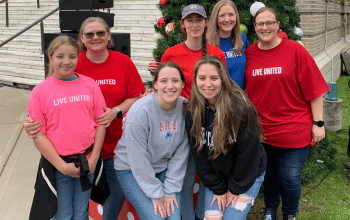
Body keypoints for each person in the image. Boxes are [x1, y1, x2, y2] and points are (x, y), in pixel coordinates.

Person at [24, 17, 145, 219]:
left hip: (111, 145)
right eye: (89, 34)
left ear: (109, 36)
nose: (95, 37)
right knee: (64, 210)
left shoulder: (118, 65)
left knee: (107, 196)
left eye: (100, 33)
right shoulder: (65, 68)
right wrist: (30, 122)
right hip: (66, 155)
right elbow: (46, 110)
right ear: (81, 38)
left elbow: (135, 96)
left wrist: (115, 111)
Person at [244, 7, 330, 220]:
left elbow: (315, 89)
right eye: (260, 24)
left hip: (294, 129)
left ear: (278, 25)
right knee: (270, 176)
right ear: (254, 27)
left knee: (290, 178)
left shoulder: (295, 51)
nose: (265, 27)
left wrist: (318, 123)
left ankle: (290, 213)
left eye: (269, 23)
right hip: (263, 131)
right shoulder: (250, 54)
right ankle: (270, 209)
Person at [28, 35, 106, 220]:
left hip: (87, 162)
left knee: (80, 213)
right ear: (50, 58)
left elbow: (100, 123)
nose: (66, 61)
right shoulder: (40, 91)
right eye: (60, 56)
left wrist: (94, 158)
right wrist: (62, 166)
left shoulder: (90, 85)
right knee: (62, 214)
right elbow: (39, 134)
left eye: (72, 56)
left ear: (78, 57)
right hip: (58, 166)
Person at [160, 5, 226, 220]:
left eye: (199, 19)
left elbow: (222, 86)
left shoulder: (216, 54)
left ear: (206, 23)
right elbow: (164, 87)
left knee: (211, 172)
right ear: (182, 24)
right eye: (190, 20)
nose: (195, 24)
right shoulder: (172, 53)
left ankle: (203, 215)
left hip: (210, 122)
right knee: (186, 177)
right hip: (183, 122)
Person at [184, 55, 266, 220]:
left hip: (247, 174)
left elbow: (248, 155)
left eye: (214, 78)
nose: (207, 84)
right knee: (212, 217)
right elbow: (199, 156)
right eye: (202, 78)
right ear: (195, 80)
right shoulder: (192, 111)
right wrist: (219, 189)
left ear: (223, 79)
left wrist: (234, 189)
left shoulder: (240, 109)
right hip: (217, 176)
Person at [114, 62, 189, 220]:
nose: (170, 86)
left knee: (173, 217)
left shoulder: (186, 109)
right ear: (155, 84)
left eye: (175, 81)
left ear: (183, 84)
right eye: (163, 81)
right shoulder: (140, 112)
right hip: (130, 169)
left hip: (164, 167)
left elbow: (181, 154)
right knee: (155, 217)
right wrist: (156, 194)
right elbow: (138, 159)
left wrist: (169, 190)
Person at [207, 0, 249, 89]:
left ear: (236, 17)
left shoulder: (242, 39)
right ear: (216, 18)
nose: (227, 19)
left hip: (240, 98)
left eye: (231, 14)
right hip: (217, 98)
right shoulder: (207, 42)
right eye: (222, 15)